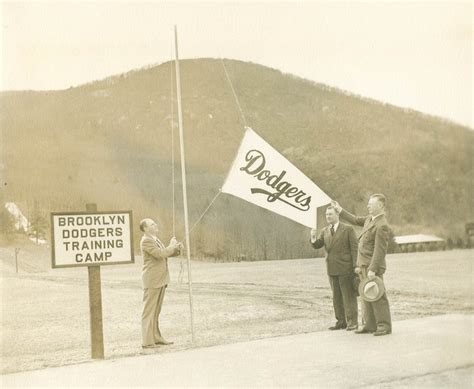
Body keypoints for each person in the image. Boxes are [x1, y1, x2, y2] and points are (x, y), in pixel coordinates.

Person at [331, 194, 392, 336]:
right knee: (366, 296)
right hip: (363, 266)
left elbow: (379, 250)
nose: (368, 206)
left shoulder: (382, 225)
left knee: (377, 295)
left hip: (371, 267)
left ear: (381, 206)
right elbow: (354, 219)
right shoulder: (370, 219)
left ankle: (384, 325)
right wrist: (339, 209)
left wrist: (373, 269)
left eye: (371, 204)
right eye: (368, 203)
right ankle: (370, 325)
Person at [310, 206, 359, 331]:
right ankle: (341, 321)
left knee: (348, 296)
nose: (328, 217)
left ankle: (352, 322)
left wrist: (356, 266)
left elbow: (354, 248)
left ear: (337, 215)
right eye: (327, 215)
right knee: (336, 296)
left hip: (346, 268)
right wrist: (313, 238)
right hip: (331, 268)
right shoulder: (325, 230)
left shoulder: (348, 229)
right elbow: (317, 245)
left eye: (330, 214)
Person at [140, 218, 182, 349]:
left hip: (160, 279)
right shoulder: (146, 240)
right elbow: (160, 254)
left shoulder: (154, 239)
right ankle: (147, 341)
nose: (155, 225)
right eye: (152, 224)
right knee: (149, 311)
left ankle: (156, 338)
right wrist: (171, 245)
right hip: (152, 280)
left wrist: (177, 249)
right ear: (146, 229)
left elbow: (166, 253)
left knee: (156, 311)